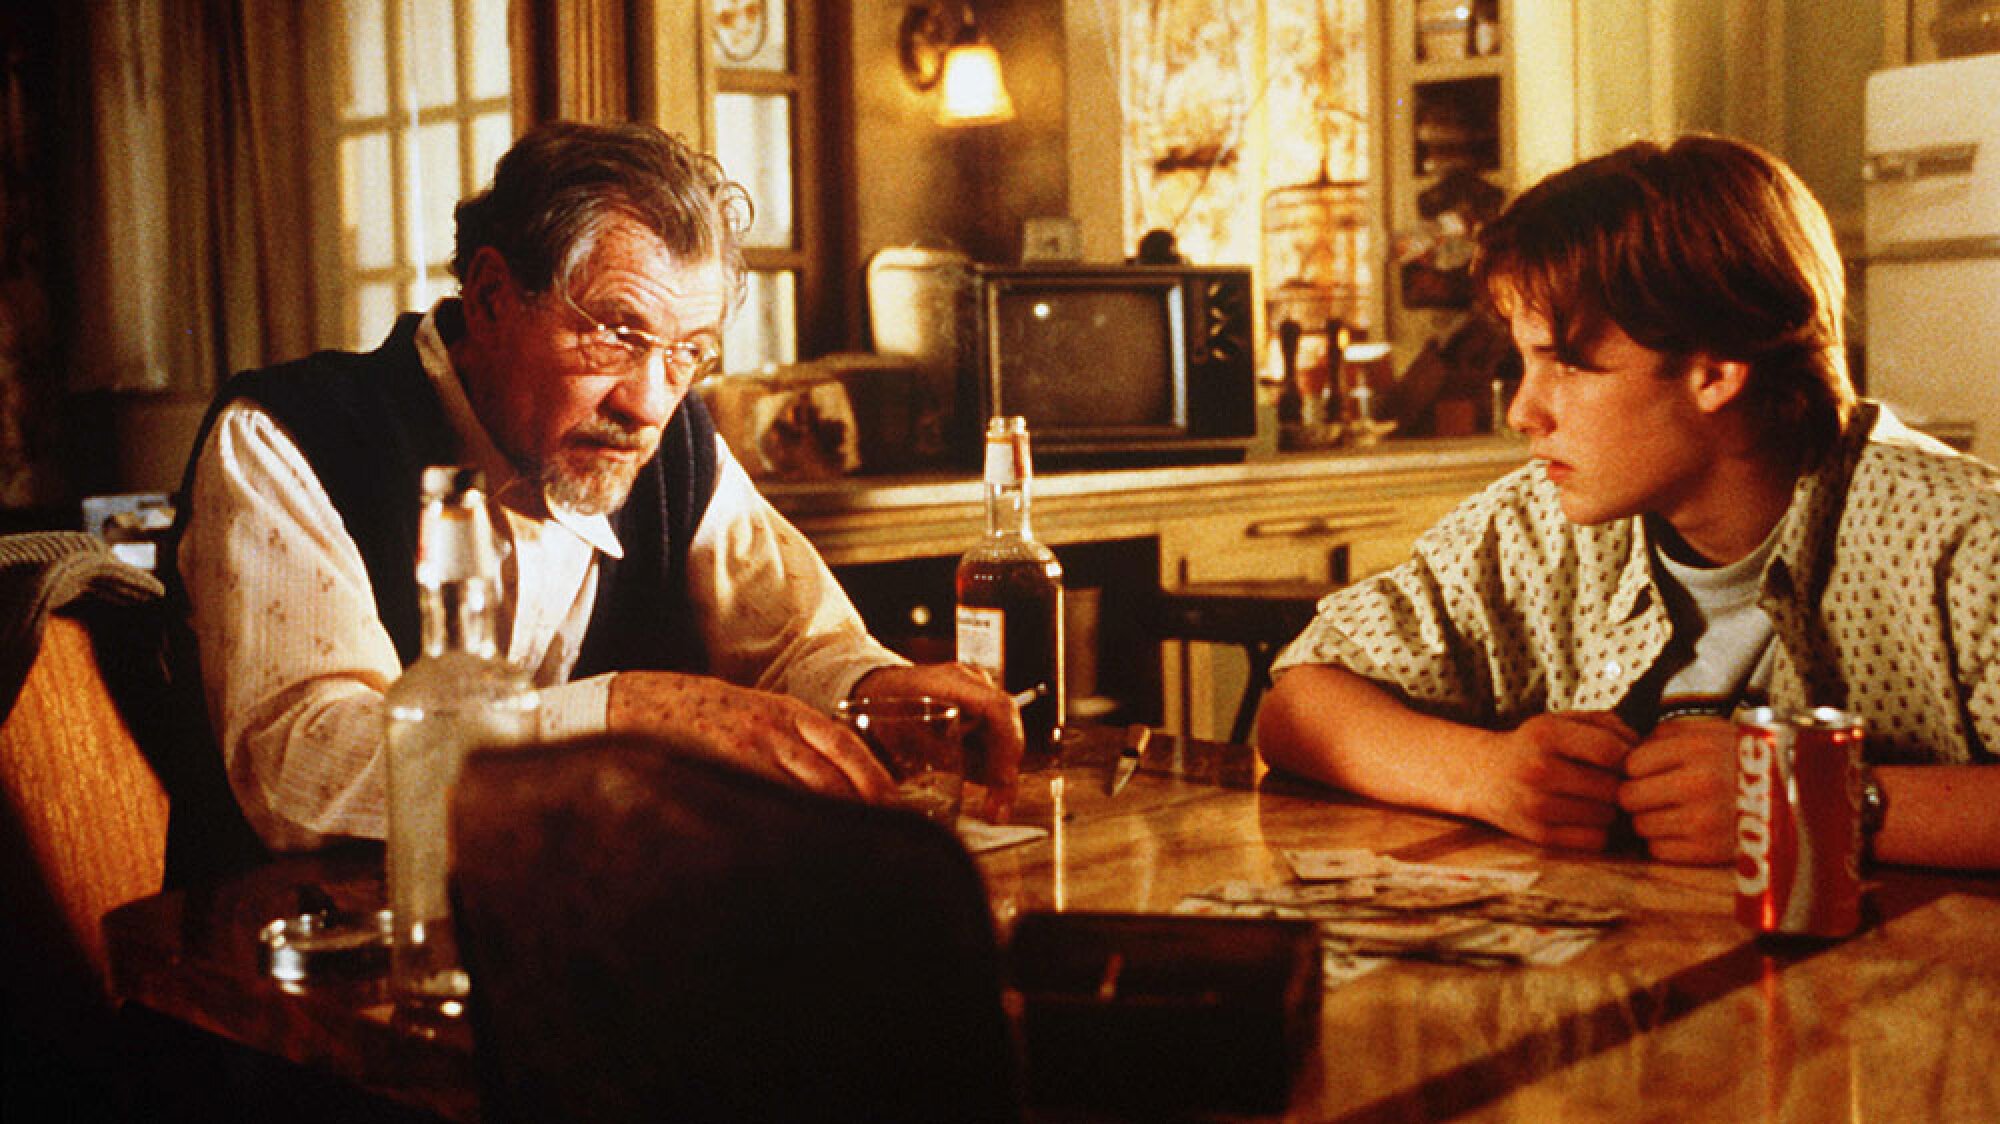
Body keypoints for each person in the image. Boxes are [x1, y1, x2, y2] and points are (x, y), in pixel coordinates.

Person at [168, 122, 1021, 851]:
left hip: (559, 961)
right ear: (493, 295)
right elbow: (298, 768)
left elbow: (796, 644)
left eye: (688, 351)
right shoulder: (287, 436)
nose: (648, 403)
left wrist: (875, 692)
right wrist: (617, 717)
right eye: (616, 334)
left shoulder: (677, 442)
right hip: (293, 980)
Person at [1257, 134, 2000, 871]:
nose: (1523, 411)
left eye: (1567, 364)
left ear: (1714, 372)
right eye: (1523, 362)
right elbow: (1299, 704)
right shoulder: (1535, 528)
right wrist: (1486, 775)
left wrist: (1821, 803)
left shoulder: (1961, 543)